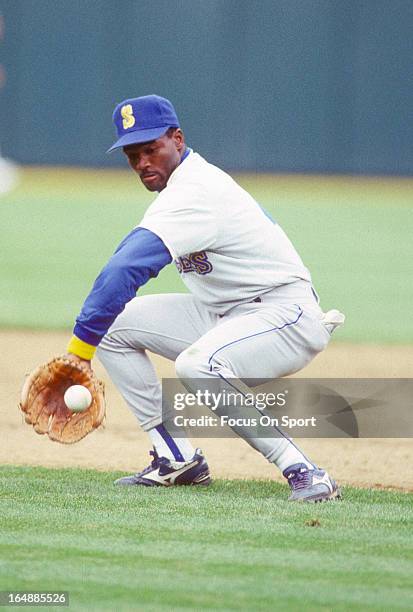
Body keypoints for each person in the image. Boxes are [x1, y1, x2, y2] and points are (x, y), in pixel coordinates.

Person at [66, 94, 344, 502]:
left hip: (284, 316)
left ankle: (304, 470)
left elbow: (124, 270)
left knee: (197, 365)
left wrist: (77, 352)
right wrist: (89, 338)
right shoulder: (177, 190)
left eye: (151, 149)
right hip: (228, 314)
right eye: (132, 154)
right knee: (114, 327)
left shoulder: (195, 190)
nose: (143, 162)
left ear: (177, 139)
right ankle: (176, 458)